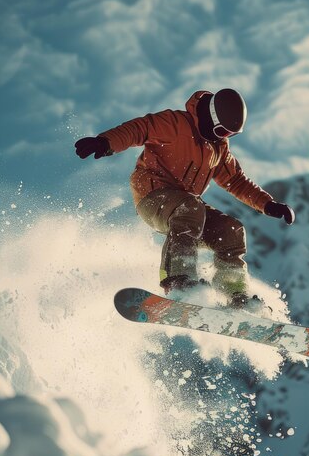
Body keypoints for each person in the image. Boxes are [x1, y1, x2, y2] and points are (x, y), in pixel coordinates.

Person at [75, 88, 295, 308]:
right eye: (222, 131)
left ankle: (236, 295)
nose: (225, 138)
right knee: (190, 207)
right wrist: (105, 142)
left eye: (231, 135)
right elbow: (139, 129)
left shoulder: (218, 149)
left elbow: (236, 180)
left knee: (231, 230)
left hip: (188, 209)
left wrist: (269, 204)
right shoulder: (175, 124)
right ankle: (178, 280)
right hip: (153, 196)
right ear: (212, 118)